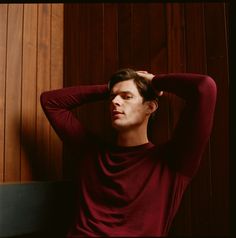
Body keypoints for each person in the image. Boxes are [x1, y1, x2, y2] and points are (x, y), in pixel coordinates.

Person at [40, 68, 217, 237]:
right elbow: (51, 101)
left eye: (126, 96)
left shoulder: (173, 161)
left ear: (150, 107)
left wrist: (155, 82)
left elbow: (204, 87)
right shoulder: (91, 152)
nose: (115, 102)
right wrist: (110, 88)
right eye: (112, 98)